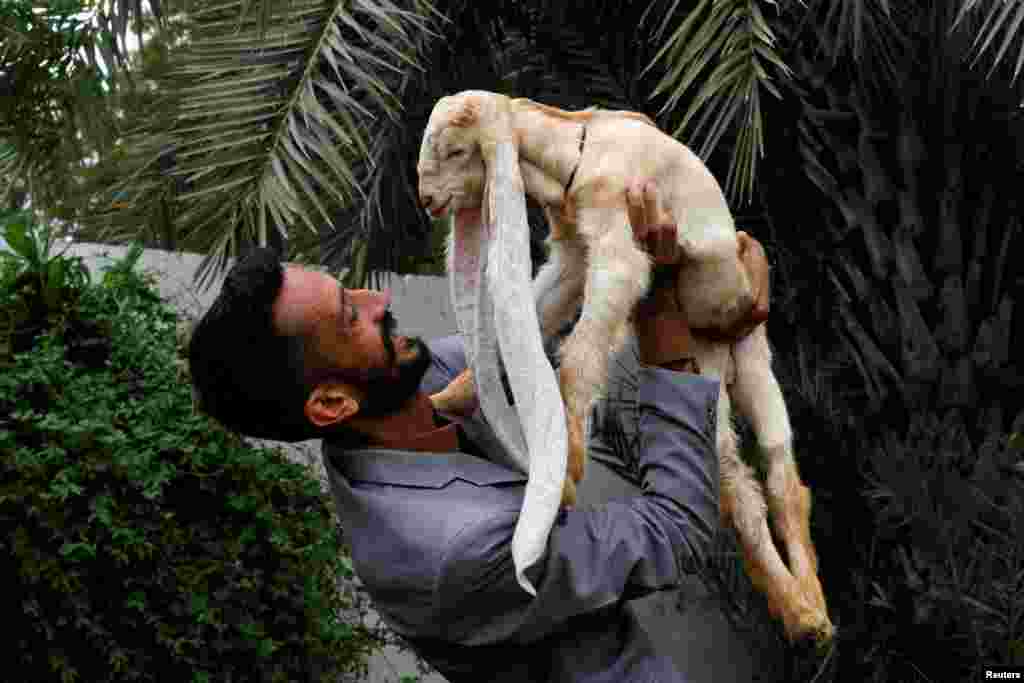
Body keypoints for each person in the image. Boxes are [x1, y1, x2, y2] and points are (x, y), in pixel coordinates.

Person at [187, 179, 771, 682]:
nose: (378, 299)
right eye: (349, 316)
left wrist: (684, 273)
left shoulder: (404, 391)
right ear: (332, 401)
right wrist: (667, 309)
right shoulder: (457, 551)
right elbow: (678, 530)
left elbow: (537, 339)